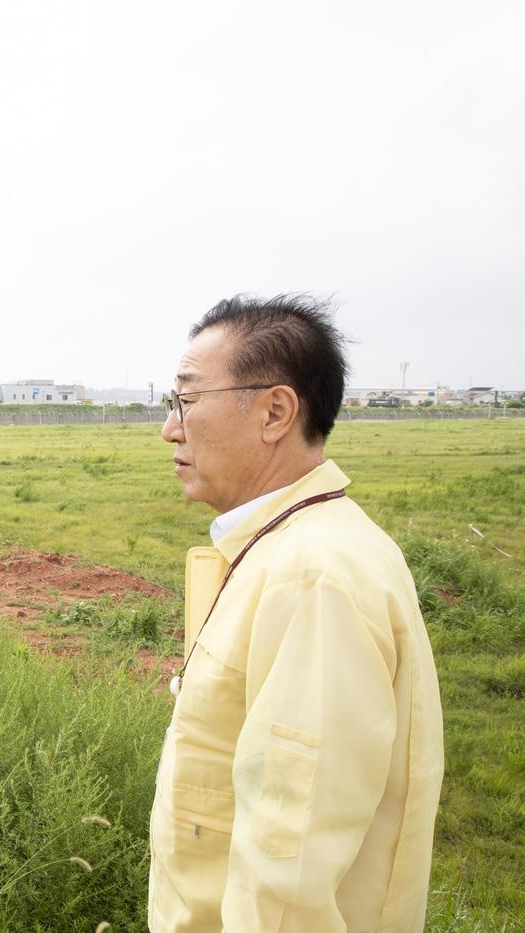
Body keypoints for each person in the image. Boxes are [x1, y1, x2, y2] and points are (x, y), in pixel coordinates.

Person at [148, 294, 443, 930]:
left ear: (276, 411)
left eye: (186, 401)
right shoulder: (286, 547)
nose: (170, 429)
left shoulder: (314, 578)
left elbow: (289, 869)